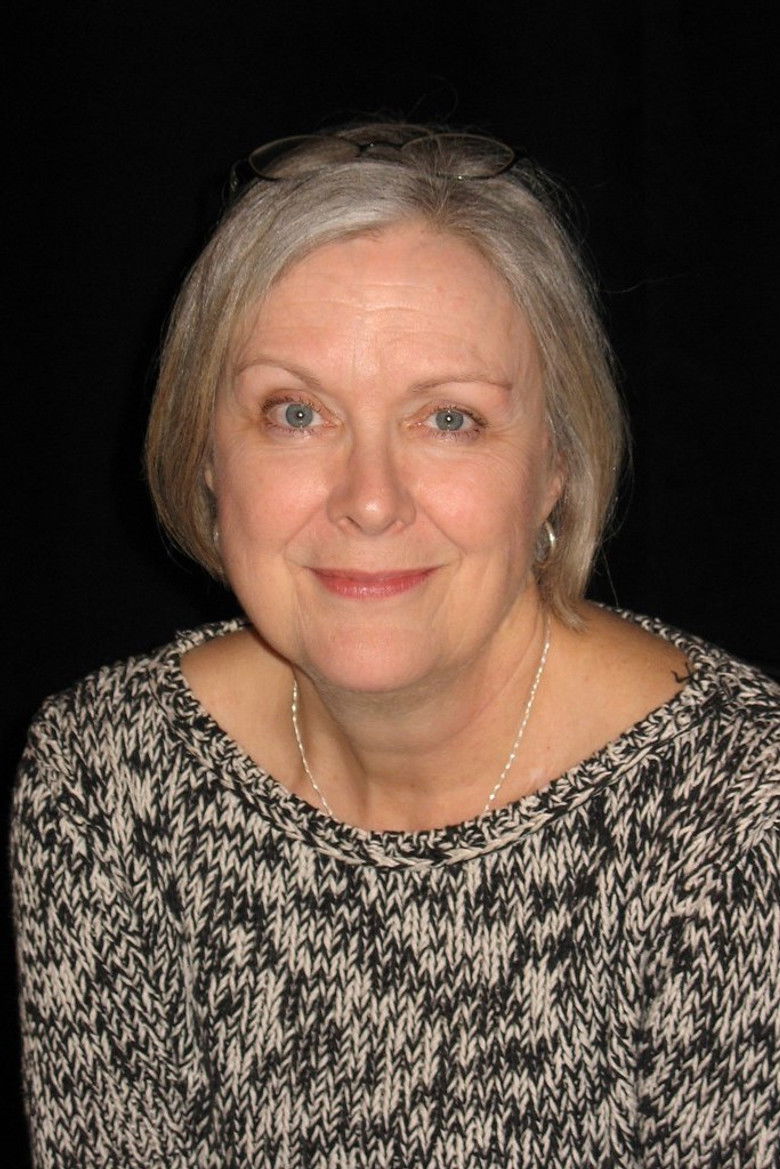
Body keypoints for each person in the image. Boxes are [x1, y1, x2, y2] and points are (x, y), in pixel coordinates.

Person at [12, 122, 779, 1169]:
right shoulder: (108, 778)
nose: (369, 499)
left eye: (449, 419)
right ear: (206, 457)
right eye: (296, 412)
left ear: (555, 465)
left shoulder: (740, 817)